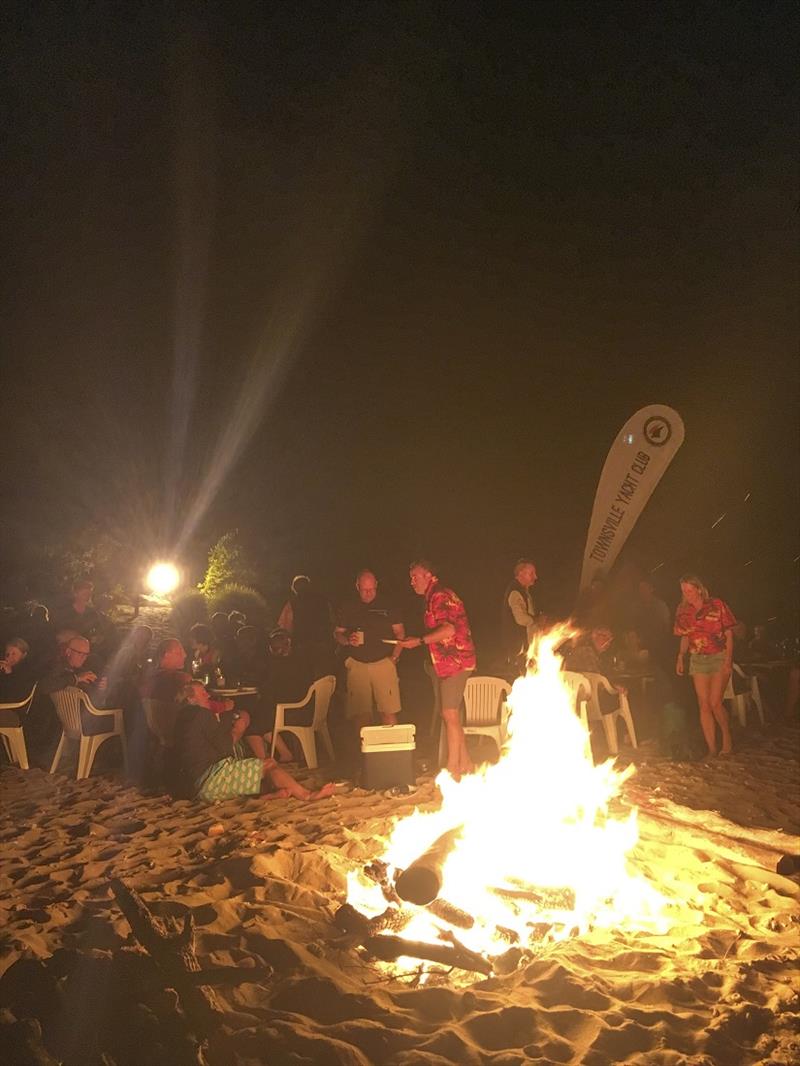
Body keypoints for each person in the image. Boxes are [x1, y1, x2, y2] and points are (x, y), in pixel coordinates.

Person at [173, 680, 334, 802]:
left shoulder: (182, 716)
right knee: (268, 764)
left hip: (193, 782)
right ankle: (308, 795)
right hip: (208, 781)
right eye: (202, 693)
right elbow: (225, 747)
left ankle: (269, 796)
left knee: (258, 769)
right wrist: (234, 722)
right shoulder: (202, 715)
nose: (207, 696)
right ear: (191, 699)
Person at [397, 560, 477, 778]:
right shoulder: (432, 597)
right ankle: (466, 763)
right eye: (410, 577)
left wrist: (419, 641)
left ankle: (453, 769)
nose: (412, 581)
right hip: (446, 663)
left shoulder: (440, 595)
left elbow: (449, 629)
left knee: (449, 713)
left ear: (429, 575)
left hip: (456, 661)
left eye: (415, 576)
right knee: (450, 715)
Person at [334, 569, 405, 743]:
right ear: (357, 587)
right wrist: (347, 640)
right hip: (357, 664)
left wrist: (394, 658)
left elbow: (400, 633)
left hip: (383, 662)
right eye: (365, 590)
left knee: (388, 710)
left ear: (376, 586)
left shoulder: (388, 605)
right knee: (360, 713)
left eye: (372, 589)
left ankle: (391, 750)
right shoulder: (348, 607)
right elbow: (337, 634)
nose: (368, 593)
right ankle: (366, 755)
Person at [673, 574, 736, 757]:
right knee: (703, 704)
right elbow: (685, 635)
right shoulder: (683, 610)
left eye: (690, 590)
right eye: (684, 591)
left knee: (715, 702)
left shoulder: (716, 605)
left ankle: (726, 735)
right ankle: (711, 748)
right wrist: (680, 656)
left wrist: (728, 660)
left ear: (699, 589)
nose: (687, 594)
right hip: (698, 658)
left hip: (718, 656)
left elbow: (729, 633)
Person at [277, 575, 334, 677]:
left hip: (301, 645)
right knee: (322, 677)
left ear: (294, 588)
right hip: (322, 644)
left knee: (304, 675)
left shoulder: (292, 604)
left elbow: (285, 627)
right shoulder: (323, 601)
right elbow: (332, 622)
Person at [501, 559, 538, 667]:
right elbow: (521, 619)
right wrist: (536, 620)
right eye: (531, 573)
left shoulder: (522, 592)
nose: (535, 577)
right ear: (521, 573)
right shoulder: (515, 592)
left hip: (521, 648)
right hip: (518, 649)